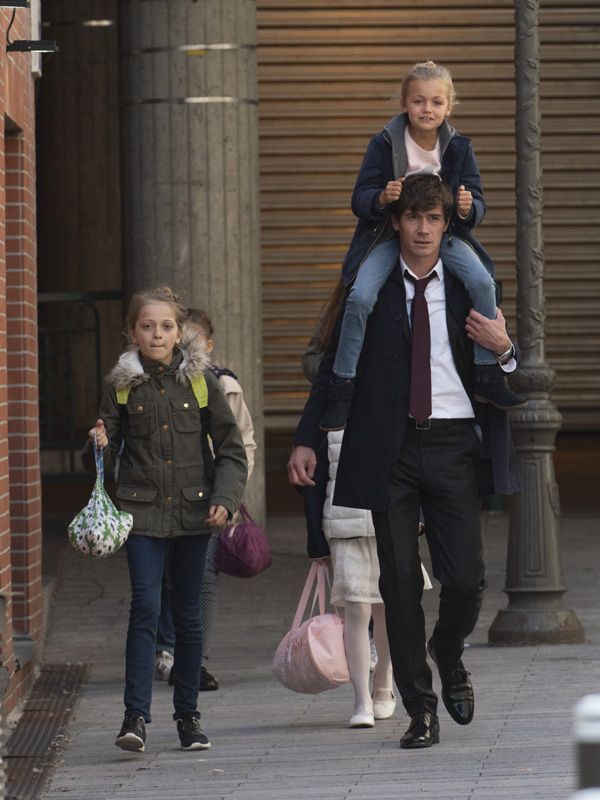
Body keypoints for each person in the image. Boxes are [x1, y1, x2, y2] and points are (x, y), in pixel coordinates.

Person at [288, 174, 522, 749]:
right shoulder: (368, 292)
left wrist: (506, 350)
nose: (423, 229)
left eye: (433, 219)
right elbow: (332, 370)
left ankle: (448, 651)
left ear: (446, 225)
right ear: (396, 223)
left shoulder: (468, 288)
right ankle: (420, 708)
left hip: (452, 445)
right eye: (413, 218)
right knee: (395, 583)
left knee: (464, 578)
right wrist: (306, 438)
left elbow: (512, 372)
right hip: (387, 447)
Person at [319, 60, 524, 432]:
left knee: (483, 283)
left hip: (445, 233)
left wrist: (467, 208)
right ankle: (342, 386)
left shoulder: (459, 147)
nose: (427, 109)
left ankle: (487, 375)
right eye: (418, 101)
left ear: (449, 106)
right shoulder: (384, 143)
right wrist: (381, 197)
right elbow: (359, 198)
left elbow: (478, 201)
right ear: (404, 104)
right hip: (388, 233)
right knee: (360, 297)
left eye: (436, 102)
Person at [84, 287, 247, 753]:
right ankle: (134, 717)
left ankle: (188, 717)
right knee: (146, 609)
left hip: (196, 513)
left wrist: (226, 498)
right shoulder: (121, 386)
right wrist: (97, 444)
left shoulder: (201, 381)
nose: (157, 334)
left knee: (190, 616)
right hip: (141, 513)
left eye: (166, 326)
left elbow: (231, 449)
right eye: (147, 326)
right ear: (132, 332)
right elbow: (103, 456)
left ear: (179, 332)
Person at [302, 285, 431, 730]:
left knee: (390, 608)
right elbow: (314, 479)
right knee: (356, 610)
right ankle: (361, 699)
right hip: (346, 525)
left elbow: (419, 468)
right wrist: (315, 538)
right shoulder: (329, 403)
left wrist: (420, 518)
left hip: (393, 521)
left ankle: (383, 683)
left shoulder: (401, 399)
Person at [155, 308, 257, 691]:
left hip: (210, 496)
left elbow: (243, 442)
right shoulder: (153, 383)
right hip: (165, 497)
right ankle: (166, 650)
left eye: (194, 341)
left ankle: (194, 660)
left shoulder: (224, 384)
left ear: (209, 345)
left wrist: (229, 493)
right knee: (167, 577)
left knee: (205, 576)